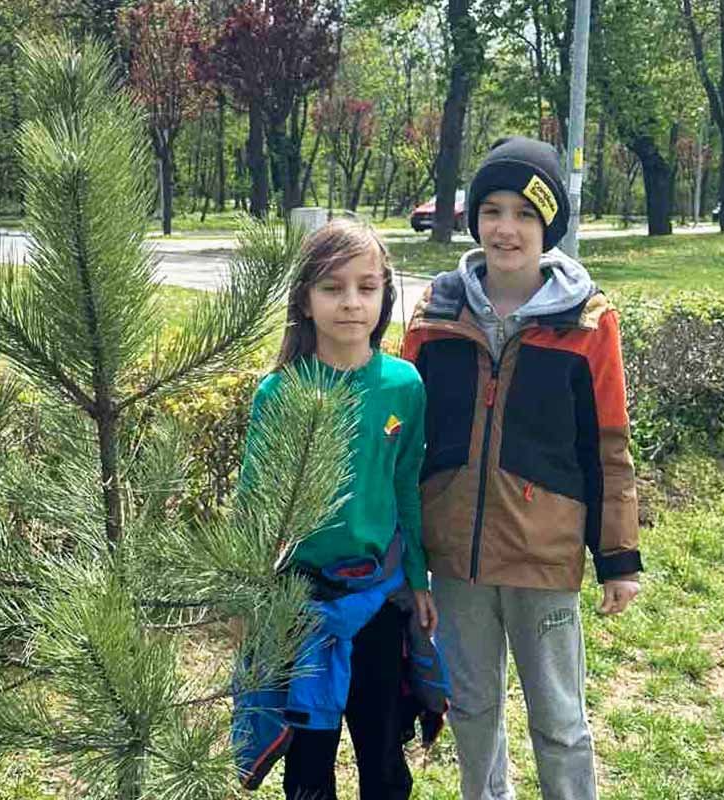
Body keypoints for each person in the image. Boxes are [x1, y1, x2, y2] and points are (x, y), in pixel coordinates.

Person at [401, 136, 642, 800]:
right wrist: (403, 552)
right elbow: (403, 442)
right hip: (457, 563)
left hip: (543, 559)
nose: (506, 228)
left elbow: (608, 447)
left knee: (559, 722)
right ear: (474, 219)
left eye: (525, 214)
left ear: (548, 226)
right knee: (472, 710)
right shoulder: (434, 314)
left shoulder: (588, 322)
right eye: (493, 211)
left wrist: (618, 558)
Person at [234, 219, 442, 800]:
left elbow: (407, 488)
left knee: (383, 754)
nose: (351, 302)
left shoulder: (403, 386)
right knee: (307, 767)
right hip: (300, 604)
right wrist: (246, 597)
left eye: (366, 287)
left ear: (384, 296)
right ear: (305, 299)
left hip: (378, 599)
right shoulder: (279, 392)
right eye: (332, 287)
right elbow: (254, 504)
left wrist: (418, 580)